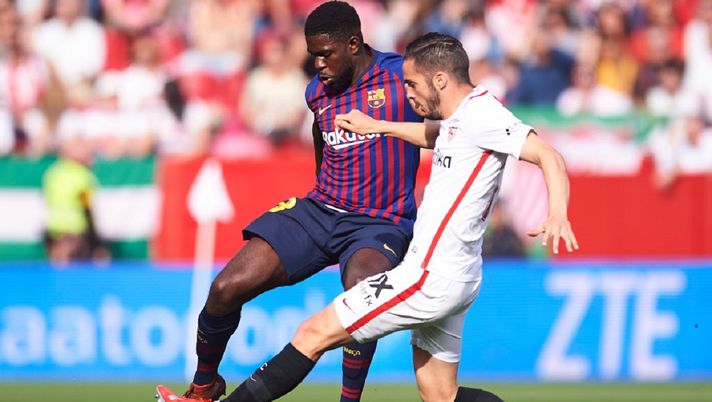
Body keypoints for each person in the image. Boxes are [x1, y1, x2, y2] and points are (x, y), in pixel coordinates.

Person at [157, 32, 579, 402]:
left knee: (311, 334)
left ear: (439, 80)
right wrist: (377, 125)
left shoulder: (484, 115)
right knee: (440, 395)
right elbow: (433, 135)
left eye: (412, 84)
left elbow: (548, 155)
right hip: (458, 276)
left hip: (430, 276)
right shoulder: (460, 119)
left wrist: (557, 211)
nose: (408, 94)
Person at [163, 2, 422, 402]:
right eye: (312, 55)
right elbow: (322, 140)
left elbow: (453, 115)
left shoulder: (402, 75)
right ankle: (202, 389)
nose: (318, 64)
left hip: (379, 221)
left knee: (361, 293)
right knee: (225, 287)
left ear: (353, 44)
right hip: (321, 209)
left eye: (325, 54)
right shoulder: (317, 91)